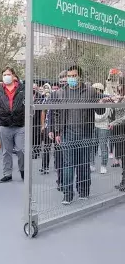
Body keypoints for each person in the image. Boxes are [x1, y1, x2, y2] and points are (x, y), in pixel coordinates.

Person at [51, 65, 103, 205]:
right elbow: (56, 113)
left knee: (83, 163)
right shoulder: (61, 93)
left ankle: (84, 191)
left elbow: (101, 111)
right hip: (67, 133)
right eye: (69, 76)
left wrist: (101, 102)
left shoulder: (90, 91)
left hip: (85, 132)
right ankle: (67, 194)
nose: (71, 78)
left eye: (74, 75)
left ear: (80, 76)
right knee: (68, 164)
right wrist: (57, 131)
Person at [0, 67, 25, 183]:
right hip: (4, 124)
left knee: (21, 150)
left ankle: (23, 170)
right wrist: (0, 117)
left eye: (8, 74)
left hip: (20, 124)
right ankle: (7, 173)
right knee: (6, 151)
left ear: (13, 75)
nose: (6, 76)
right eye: (4, 74)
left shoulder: (22, 88)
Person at [90, 83, 114, 174]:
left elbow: (104, 116)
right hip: (94, 125)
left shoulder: (106, 100)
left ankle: (103, 165)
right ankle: (91, 164)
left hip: (103, 126)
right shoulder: (92, 100)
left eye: (95, 89)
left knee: (103, 146)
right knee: (93, 146)